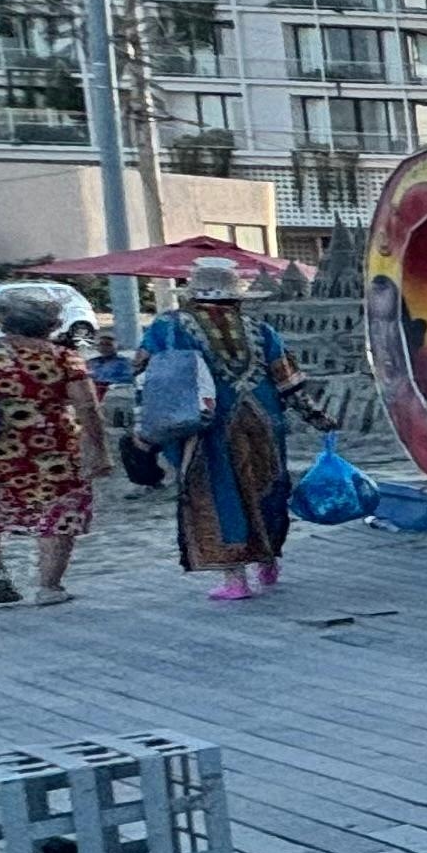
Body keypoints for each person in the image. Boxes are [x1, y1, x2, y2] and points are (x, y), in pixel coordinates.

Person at [143, 255, 305, 601]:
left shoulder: (169, 326)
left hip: (207, 425)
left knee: (219, 492)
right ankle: (268, 563)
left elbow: (143, 366)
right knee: (266, 487)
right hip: (263, 421)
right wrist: (316, 415)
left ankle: (236, 579)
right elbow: (288, 381)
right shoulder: (262, 331)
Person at [0, 291, 107, 607]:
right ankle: (49, 587)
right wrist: (99, 451)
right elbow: (87, 408)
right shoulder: (63, 357)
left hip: (0, 445)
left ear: (4, 323)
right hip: (54, 447)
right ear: (53, 325)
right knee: (59, 510)